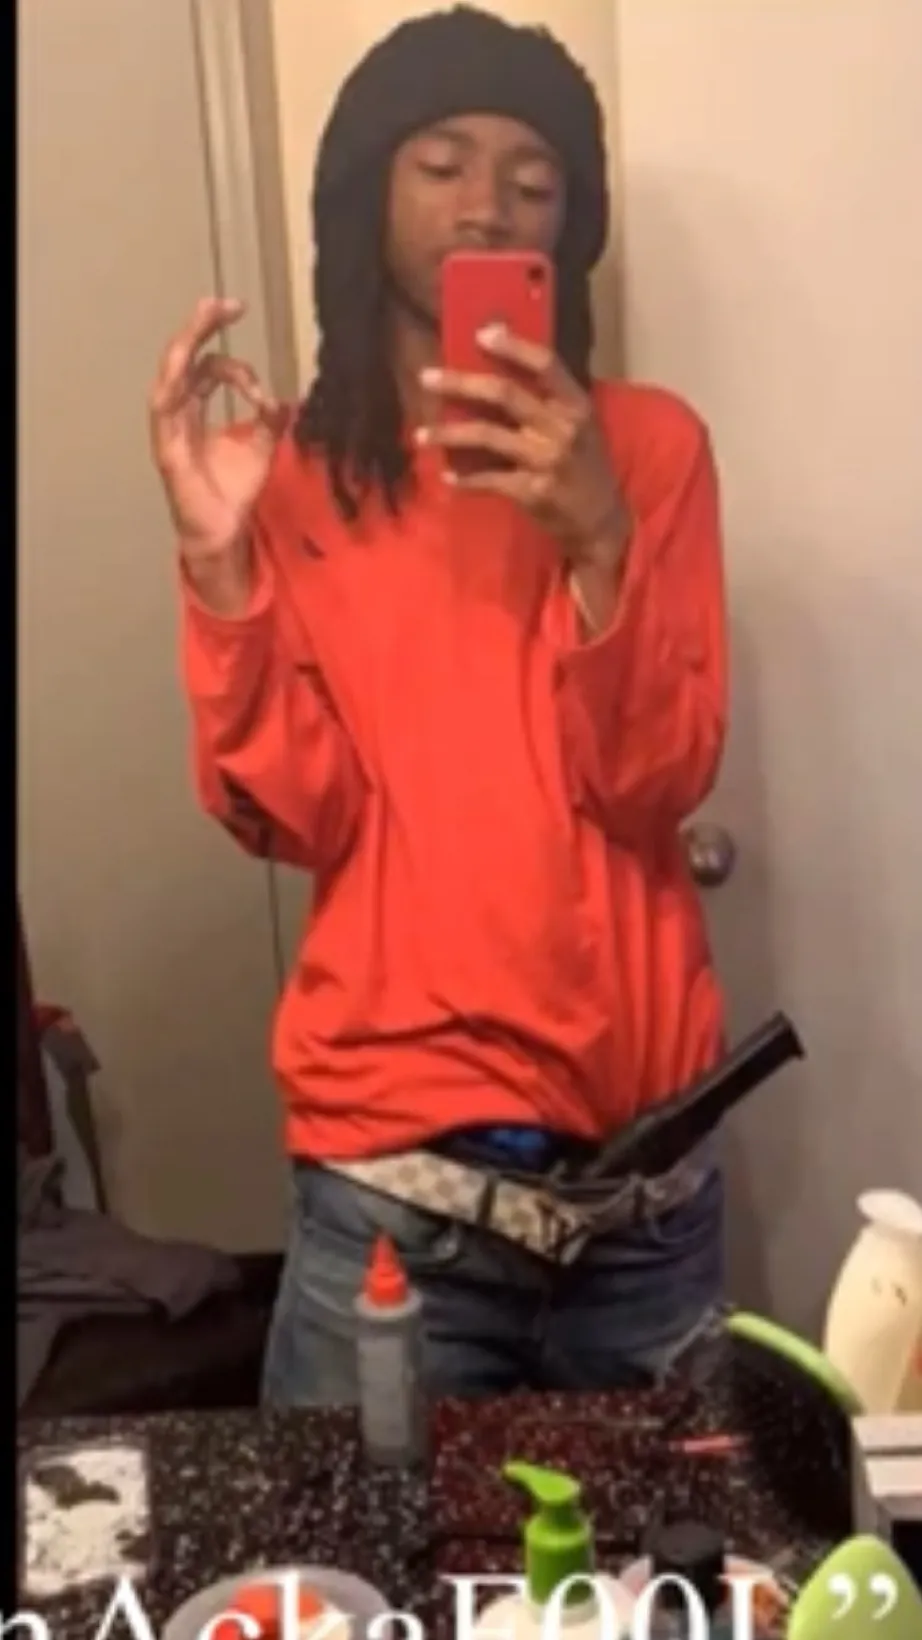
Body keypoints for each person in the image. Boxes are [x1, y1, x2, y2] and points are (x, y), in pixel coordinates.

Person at [148, 6, 728, 1406]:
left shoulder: (647, 451)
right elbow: (290, 817)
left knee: (664, 1554)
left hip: (642, 1201)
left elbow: (654, 778)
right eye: (443, 163)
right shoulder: (292, 474)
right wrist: (222, 567)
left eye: (534, 180)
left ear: (568, 228)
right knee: (360, 1558)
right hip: (392, 1198)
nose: (488, 205)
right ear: (369, 195)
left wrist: (597, 539)